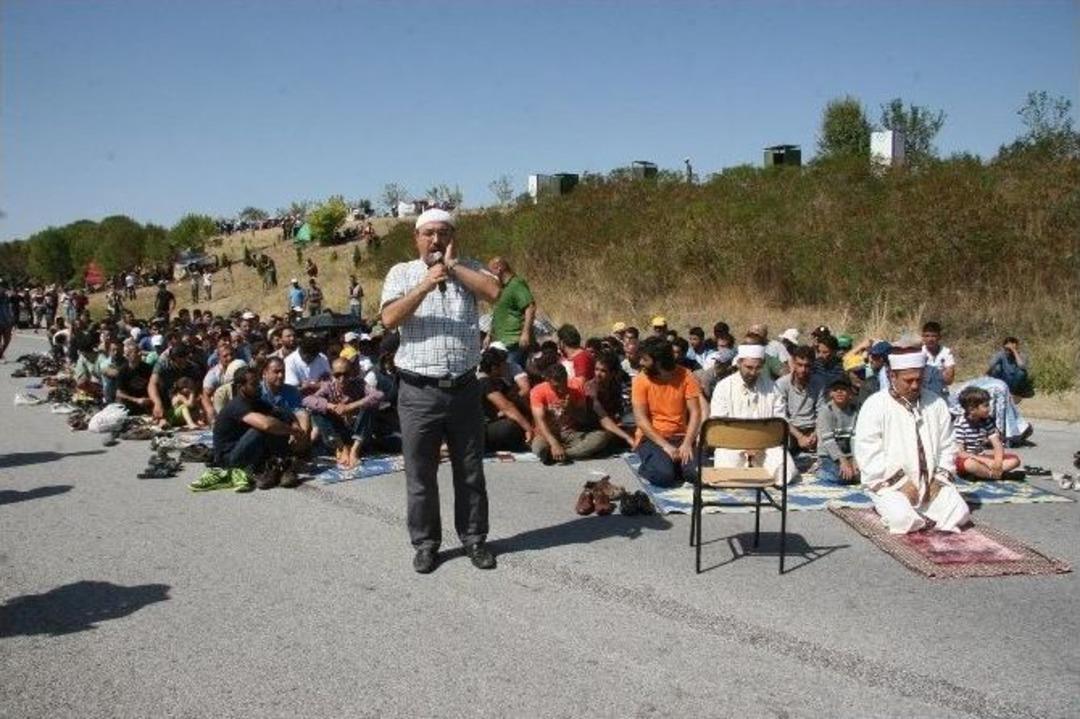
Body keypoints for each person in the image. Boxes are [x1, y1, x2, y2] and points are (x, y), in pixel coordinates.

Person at [380, 208, 501, 574]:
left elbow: (494, 291)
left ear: (454, 237)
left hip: (463, 388)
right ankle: (426, 544)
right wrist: (425, 283)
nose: (436, 240)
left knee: (469, 472)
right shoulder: (402, 273)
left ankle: (475, 539)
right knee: (421, 474)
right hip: (419, 392)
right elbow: (388, 318)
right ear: (417, 238)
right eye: (429, 233)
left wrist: (453, 269)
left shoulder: (471, 267)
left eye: (444, 233)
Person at [853, 348, 970, 534]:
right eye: (908, 381)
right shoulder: (875, 405)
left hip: (930, 483)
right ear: (892, 375)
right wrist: (900, 483)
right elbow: (868, 451)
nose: (915, 386)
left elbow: (948, 445)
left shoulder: (936, 403)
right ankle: (903, 511)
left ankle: (925, 516)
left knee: (959, 512)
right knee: (902, 520)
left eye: (919, 379)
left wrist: (938, 479)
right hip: (889, 484)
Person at [709, 342, 798, 485]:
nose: (753, 372)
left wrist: (759, 444)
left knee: (786, 472)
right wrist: (745, 444)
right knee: (727, 478)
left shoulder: (772, 388)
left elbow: (779, 422)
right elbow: (719, 423)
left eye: (757, 368)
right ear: (739, 363)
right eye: (749, 367)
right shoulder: (723, 387)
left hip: (766, 444)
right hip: (731, 443)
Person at [212, 367, 306, 491]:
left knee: (278, 418)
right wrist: (292, 431)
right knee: (263, 427)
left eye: (259, 383)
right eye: (254, 384)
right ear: (241, 386)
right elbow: (266, 425)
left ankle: (279, 464)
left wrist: (295, 425)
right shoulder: (237, 405)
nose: (259, 386)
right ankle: (278, 465)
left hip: (245, 450)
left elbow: (283, 412)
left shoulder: (255, 401)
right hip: (229, 459)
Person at [631, 336, 702, 487]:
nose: (641, 363)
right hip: (653, 439)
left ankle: (675, 465)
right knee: (664, 476)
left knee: (696, 474)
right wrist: (666, 446)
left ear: (658, 362)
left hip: (682, 437)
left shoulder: (686, 375)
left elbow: (695, 412)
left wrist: (688, 442)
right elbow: (641, 420)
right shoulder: (641, 380)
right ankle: (656, 465)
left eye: (645, 359)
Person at [303, 357, 385, 469]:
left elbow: (378, 395)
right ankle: (342, 448)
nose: (342, 379)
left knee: (370, 405)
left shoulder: (359, 384)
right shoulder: (329, 387)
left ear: (351, 373)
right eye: (337, 375)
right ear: (332, 375)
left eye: (346, 374)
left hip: (357, 432)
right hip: (337, 434)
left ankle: (354, 451)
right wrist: (331, 406)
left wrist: (351, 406)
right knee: (317, 411)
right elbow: (307, 400)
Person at [529, 363, 618, 464]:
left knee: (601, 437)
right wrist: (554, 443)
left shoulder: (576, 389)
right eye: (556, 387)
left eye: (563, 385)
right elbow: (540, 422)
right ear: (548, 381)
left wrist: (570, 409)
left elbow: (583, 419)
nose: (561, 389)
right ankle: (563, 451)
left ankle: (563, 454)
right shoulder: (537, 391)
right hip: (547, 433)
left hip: (570, 433)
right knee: (539, 449)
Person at [953, 386, 1022, 479]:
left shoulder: (987, 420)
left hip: (980, 457)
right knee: (969, 464)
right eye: (985, 406)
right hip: (967, 459)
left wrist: (998, 462)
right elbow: (960, 453)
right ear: (972, 409)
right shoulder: (960, 423)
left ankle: (986, 474)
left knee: (1014, 460)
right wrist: (986, 461)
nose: (989, 408)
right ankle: (996, 475)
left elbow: (997, 444)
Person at [478, 346, 534, 452]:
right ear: (494, 367)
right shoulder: (483, 381)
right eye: (503, 365)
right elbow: (507, 407)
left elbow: (514, 400)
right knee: (511, 426)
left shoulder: (498, 381)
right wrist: (528, 428)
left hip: (492, 422)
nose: (506, 368)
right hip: (480, 428)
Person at [775, 345, 824, 457]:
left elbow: (821, 412)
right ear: (793, 363)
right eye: (800, 365)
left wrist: (815, 433)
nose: (803, 370)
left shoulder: (819, 383)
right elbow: (781, 415)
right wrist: (799, 436)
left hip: (812, 428)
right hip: (790, 429)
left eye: (807, 366)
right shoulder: (782, 384)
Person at [487, 256, 536, 366]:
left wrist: (526, 333)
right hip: (502, 342)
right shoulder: (500, 289)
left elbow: (530, 307)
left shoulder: (516, 284)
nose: (490, 276)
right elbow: (497, 312)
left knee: (513, 373)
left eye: (491, 272)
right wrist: (489, 335)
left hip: (515, 342)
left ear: (499, 269)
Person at [816, 378, 860, 484]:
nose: (839, 392)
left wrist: (855, 460)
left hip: (848, 454)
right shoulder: (826, 411)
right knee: (843, 478)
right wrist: (843, 461)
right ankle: (820, 470)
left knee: (860, 475)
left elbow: (855, 438)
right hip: (829, 455)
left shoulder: (854, 411)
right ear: (831, 393)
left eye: (843, 389)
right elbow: (828, 441)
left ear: (850, 393)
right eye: (836, 390)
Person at [921, 321, 955, 387]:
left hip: (940, 391)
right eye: (927, 336)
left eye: (934, 336)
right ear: (923, 337)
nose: (930, 339)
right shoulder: (919, 352)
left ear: (939, 337)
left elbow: (949, 380)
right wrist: (941, 372)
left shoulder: (946, 352)